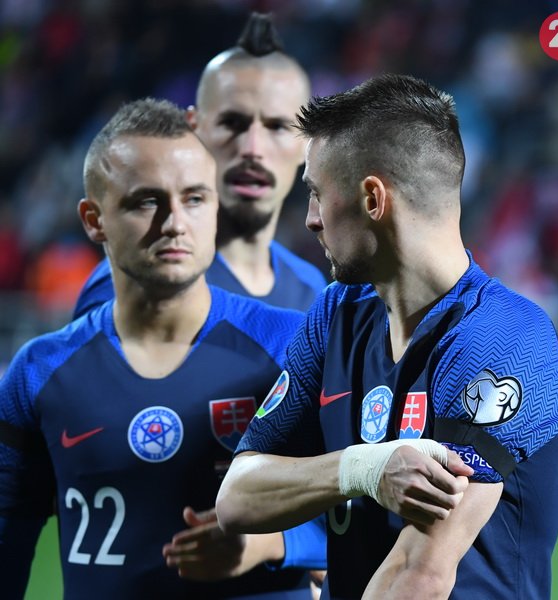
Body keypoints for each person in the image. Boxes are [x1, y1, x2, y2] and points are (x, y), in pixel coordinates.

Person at [216, 74, 558, 600]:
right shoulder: (337, 314)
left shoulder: (504, 343)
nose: (311, 219)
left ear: (372, 198)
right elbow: (237, 498)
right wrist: (362, 469)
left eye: (316, 193)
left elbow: (419, 576)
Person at [0, 98, 325, 600]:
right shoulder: (39, 373)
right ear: (94, 219)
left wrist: (272, 543)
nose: (174, 222)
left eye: (194, 198)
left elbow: (368, 510)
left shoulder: (296, 344)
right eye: (146, 202)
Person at [73, 12, 327, 318]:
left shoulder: (310, 290)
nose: (252, 149)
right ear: (194, 129)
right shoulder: (133, 282)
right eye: (232, 123)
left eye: (277, 127)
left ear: (305, 144)